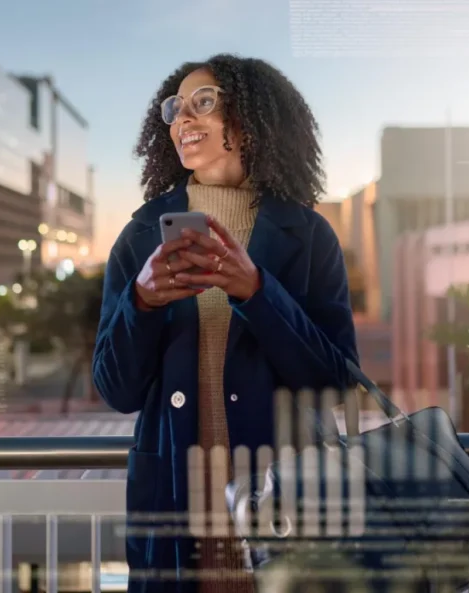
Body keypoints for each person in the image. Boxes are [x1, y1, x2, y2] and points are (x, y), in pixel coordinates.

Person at [92, 54, 359, 593]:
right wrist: (140, 303)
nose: (183, 119)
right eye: (175, 108)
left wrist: (258, 292)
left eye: (204, 102)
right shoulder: (141, 235)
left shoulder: (308, 235)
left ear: (250, 121)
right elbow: (115, 388)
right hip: (175, 505)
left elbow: (336, 381)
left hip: (288, 511)